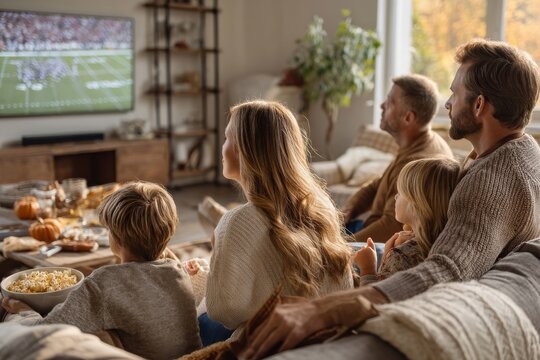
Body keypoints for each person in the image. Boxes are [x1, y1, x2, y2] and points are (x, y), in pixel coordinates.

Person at [238, 39, 540, 359]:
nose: (448, 104)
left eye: (454, 93)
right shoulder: (521, 150)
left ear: (479, 105)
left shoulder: (491, 182)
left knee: (314, 265)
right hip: (412, 249)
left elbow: (447, 271)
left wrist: (321, 311)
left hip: (438, 299)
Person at [204, 100, 353, 341]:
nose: (222, 148)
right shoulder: (321, 208)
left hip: (269, 343)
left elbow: (223, 310)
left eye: (225, 139)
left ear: (244, 150)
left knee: (198, 317)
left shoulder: (237, 221)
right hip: (326, 339)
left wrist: (212, 265)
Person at [2, 181, 201, 359]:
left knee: (9, 312)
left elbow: (46, 330)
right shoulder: (178, 272)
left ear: (115, 238)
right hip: (197, 356)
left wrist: (24, 312)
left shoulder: (104, 283)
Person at [343, 74, 453, 243]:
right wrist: (348, 210)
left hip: (377, 245)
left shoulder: (415, 163)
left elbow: (391, 226)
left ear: (408, 118)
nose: (382, 106)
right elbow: (377, 185)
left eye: (390, 102)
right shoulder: (420, 143)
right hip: (366, 228)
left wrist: (341, 247)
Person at [354, 157, 461, 284]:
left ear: (417, 204)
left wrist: (368, 269)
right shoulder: (450, 242)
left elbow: (374, 298)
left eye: (400, 192)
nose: (395, 197)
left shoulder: (402, 256)